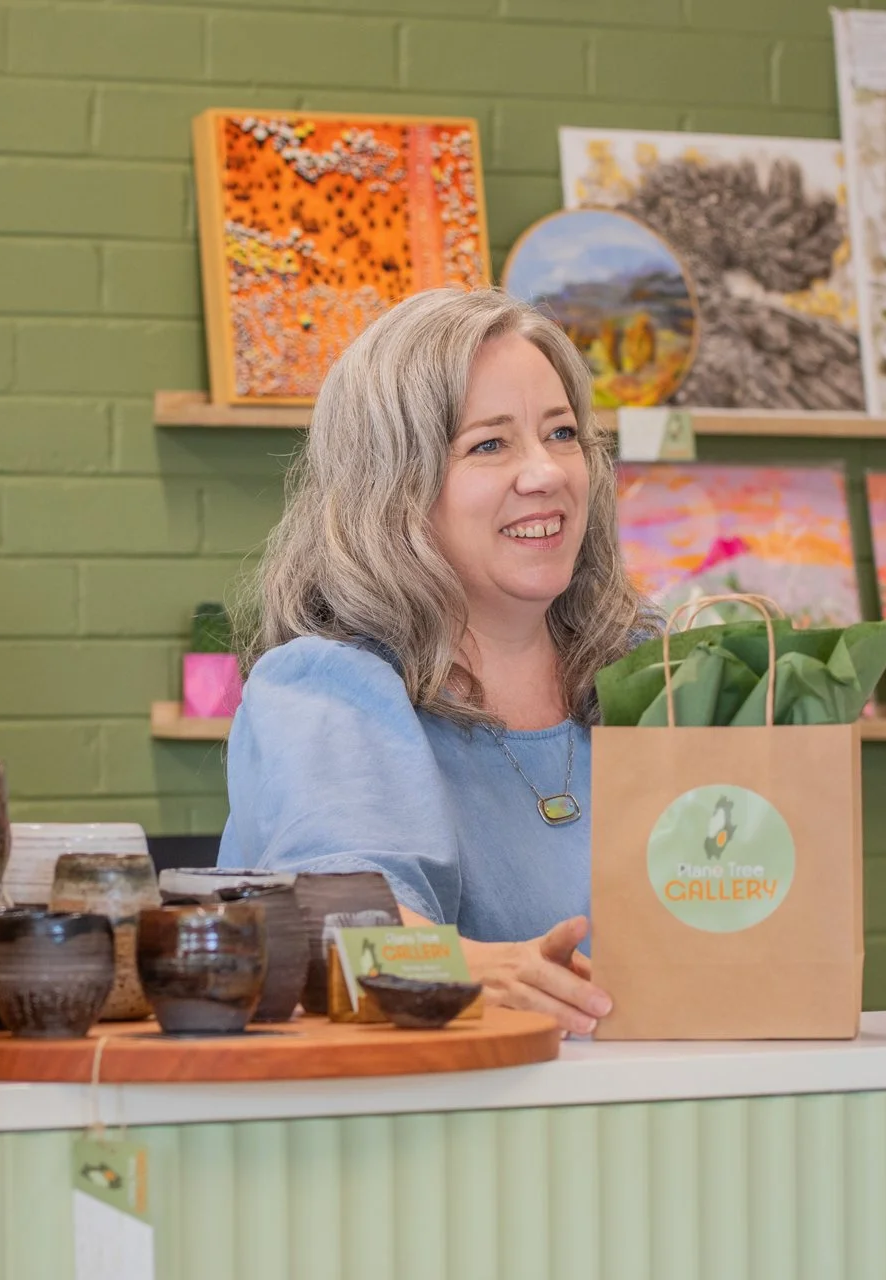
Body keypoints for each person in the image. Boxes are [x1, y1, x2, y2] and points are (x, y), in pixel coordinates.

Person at [219, 288, 653, 1035]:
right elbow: (350, 945)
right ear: (393, 491)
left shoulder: (654, 669)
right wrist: (488, 972)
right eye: (490, 444)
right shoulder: (331, 688)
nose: (546, 472)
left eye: (561, 433)